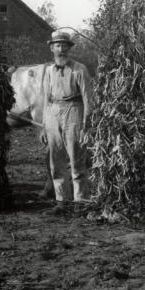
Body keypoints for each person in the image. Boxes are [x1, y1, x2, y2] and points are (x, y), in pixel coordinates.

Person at [39, 30, 92, 215]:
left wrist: (86, 125)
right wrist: (45, 126)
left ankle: (81, 203)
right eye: (57, 46)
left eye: (64, 46)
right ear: (52, 49)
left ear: (69, 49)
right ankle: (62, 202)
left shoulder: (79, 69)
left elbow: (87, 99)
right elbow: (46, 99)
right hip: (53, 112)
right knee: (55, 161)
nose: (61, 49)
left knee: (77, 159)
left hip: (74, 111)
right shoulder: (48, 71)